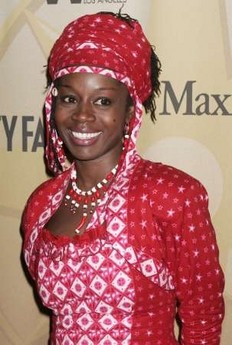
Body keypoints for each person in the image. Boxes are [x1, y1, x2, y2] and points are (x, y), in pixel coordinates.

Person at [21, 10, 224, 345]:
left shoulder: (169, 195)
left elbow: (203, 318)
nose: (82, 115)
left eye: (103, 101)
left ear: (131, 110)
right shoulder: (42, 204)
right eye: (69, 98)